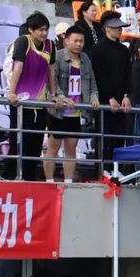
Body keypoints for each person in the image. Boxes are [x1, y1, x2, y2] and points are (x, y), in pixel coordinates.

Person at [3, 11, 56, 181]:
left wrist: (53, 94)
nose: (44, 33)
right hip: (21, 103)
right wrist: (12, 93)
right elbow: (17, 68)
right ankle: (9, 176)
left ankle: (29, 178)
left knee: (35, 143)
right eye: (40, 30)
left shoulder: (50, 45)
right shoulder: (23, 42)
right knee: (18, 141)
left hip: (40, 104)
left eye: (46, 29)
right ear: (31, 30)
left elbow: (51, 71)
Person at [44, 26, 100, 184]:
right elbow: (52, 82)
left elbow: (92, 83)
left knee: (71, 149)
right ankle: (49, 181)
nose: (79, 44)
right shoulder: (58, 57)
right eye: (75, 41)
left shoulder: (85, 59)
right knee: (53, 148)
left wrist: (94, 98)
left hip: (76, 112)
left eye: (81, 41)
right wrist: (62, 98)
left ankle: (68, 182)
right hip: (58, 112)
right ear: (66, 40)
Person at [90, 11, 132, 175]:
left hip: (122, 101)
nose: (120, 30)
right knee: (103, 137)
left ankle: (116, 170)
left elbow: (129, 74)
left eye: (120, 27)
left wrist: (127, 96)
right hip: (104, 102)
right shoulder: (97, 50)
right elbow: (99, 76)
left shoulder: (124, 50)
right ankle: (102, 170)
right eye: (116, 27)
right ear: (107, 28)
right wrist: (109, 97)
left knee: (119, 138)